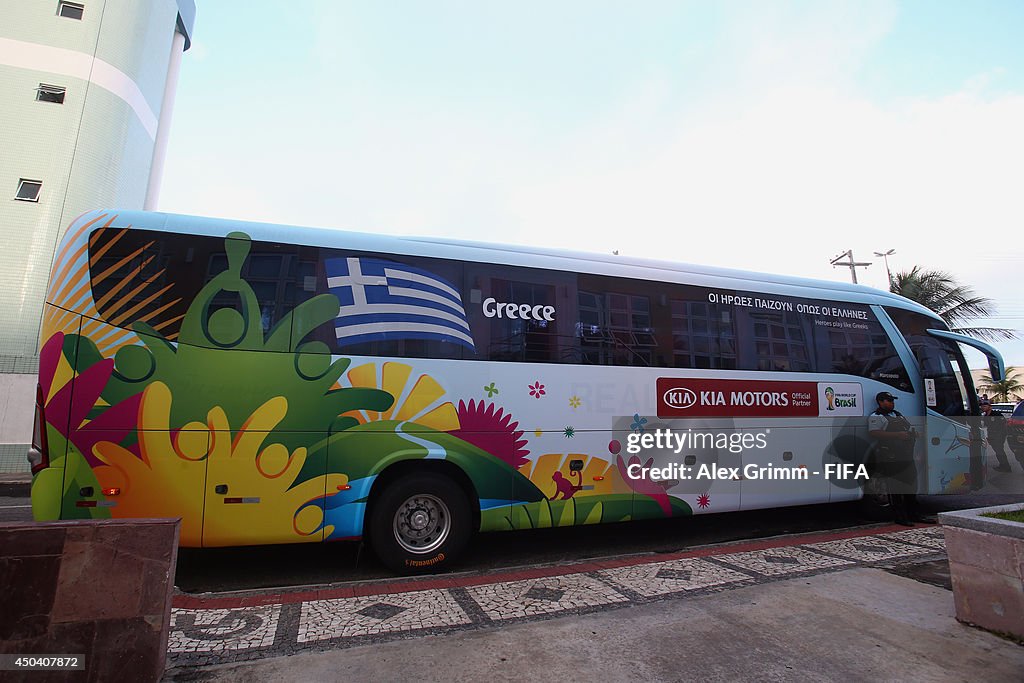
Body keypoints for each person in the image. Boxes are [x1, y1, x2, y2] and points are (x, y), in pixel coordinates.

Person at [868, 391, 935, 526]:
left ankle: (915, 514)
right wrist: (897, 435)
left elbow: (908, 428)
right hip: (891, 456)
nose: (892, 403)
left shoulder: (898, 415)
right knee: (895, 489)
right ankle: (900, 517)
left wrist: (914, 434)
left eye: (892, 400)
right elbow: (874, 432)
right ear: (880, 402)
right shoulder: (876, 416)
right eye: (889, 400)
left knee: (911, 486)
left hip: (906, 455)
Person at [980, 399, 1012, 472]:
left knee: (999, 450)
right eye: (982, 406)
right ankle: (1002, 465)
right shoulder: (985, 416)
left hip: (999, 434)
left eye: (985, 406)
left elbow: (1004, 424)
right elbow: (987, 427)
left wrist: (1001, 435)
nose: (983, 408)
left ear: (990, 407)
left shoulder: (996, 414)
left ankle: (1006, 467)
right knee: (997, 451)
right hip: (992, 435)